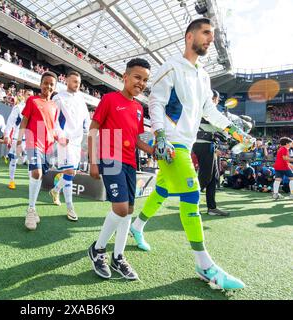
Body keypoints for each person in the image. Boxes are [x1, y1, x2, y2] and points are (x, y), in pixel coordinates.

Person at [129, 18, 252, 290]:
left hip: (187, 142)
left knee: (161, 191)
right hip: (171, 144)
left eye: (212, 34)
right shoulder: (171, 66)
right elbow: (156, 102)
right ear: (189, 36)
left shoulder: (204, 75)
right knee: (192, 193)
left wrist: (236, 132)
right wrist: (160, 136)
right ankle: (204, 264)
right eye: (206, 33)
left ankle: (137, 226)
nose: (210, 38)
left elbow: (210, 112)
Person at [87, 58, 153, 281]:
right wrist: (93, 161)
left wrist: (154, 151)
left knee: (129, 211)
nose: (141, 82)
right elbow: (93, 130)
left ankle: (118, 257)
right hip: (110, 157)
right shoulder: (109, 99)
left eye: (145, 80)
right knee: (121, 208)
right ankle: (97, 249)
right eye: (137, 77)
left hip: (131, 163)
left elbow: (136, 139)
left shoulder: (138, 108)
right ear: (124, 77)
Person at [17, 71, 59, 231]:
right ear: (40, 84)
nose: (48, 86)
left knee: (40, 174)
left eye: (51, 84)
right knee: (37, 173)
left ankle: (33, 208)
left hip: (49, 145)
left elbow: (53, 127)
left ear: (54, 88)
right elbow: (24, 121)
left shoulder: (55, 106)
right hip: (33, 141)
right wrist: (19, 141)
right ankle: (31, 209)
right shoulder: (32, 100)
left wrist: (59, 139)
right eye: (45, 83)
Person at [49, 71, 90, 222]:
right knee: (69, 171)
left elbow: (86, 118)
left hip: (77, 141)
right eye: (74, 81)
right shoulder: (58, 97)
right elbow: (53, 120)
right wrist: (60, 135)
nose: (77, 85)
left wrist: (90, 131)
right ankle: (70, 207)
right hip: (64, 140)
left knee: (71, 173)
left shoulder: (81, 98)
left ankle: (55, 190)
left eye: (78, 82)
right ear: (66, 81)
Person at [192, 90, 229, 216]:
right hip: (204, 145)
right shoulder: (208, 109)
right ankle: (190, 205)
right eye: (217, 100)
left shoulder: (198, 108)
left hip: (206, 145)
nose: (217, 102)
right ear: (212, 99)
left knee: (213, 178)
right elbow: (221, 127)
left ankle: (211, 208)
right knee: (205, 177)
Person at [4, 89, 33, 190]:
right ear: (24, 95)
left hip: (30, 139)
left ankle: (31, 182)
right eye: (28, 94)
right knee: (14, 160)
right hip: (18, 138)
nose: (30, 96)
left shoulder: (35, 108)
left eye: (31, 95)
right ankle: (11, 181)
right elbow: (10, 122)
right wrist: (7, 135)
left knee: (31, 161)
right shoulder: (18, 107)